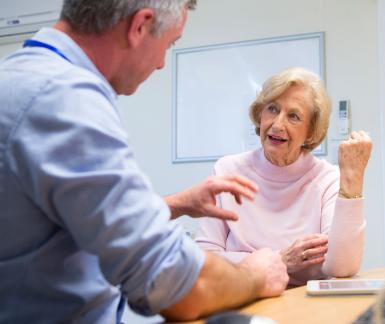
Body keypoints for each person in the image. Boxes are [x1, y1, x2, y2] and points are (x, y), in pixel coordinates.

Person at [0, 0, 289, 322]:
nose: (162, 63)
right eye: (169, 44)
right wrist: (255, 276)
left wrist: (175, 204)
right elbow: (177, 286)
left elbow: (72, 216)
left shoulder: (21, 77)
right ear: (140, 26)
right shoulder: (64, 100)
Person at [196, 67, 372, 286]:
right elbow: (205, 257)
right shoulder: (227, 170)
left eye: (293, 116)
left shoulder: (327, 179)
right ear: (260, 114)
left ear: (311, 132)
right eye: (272, 109)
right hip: (240, 297)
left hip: (303, 306)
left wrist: (352, 180)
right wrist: (280, 260)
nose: (278, 125)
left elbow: (342, 267)